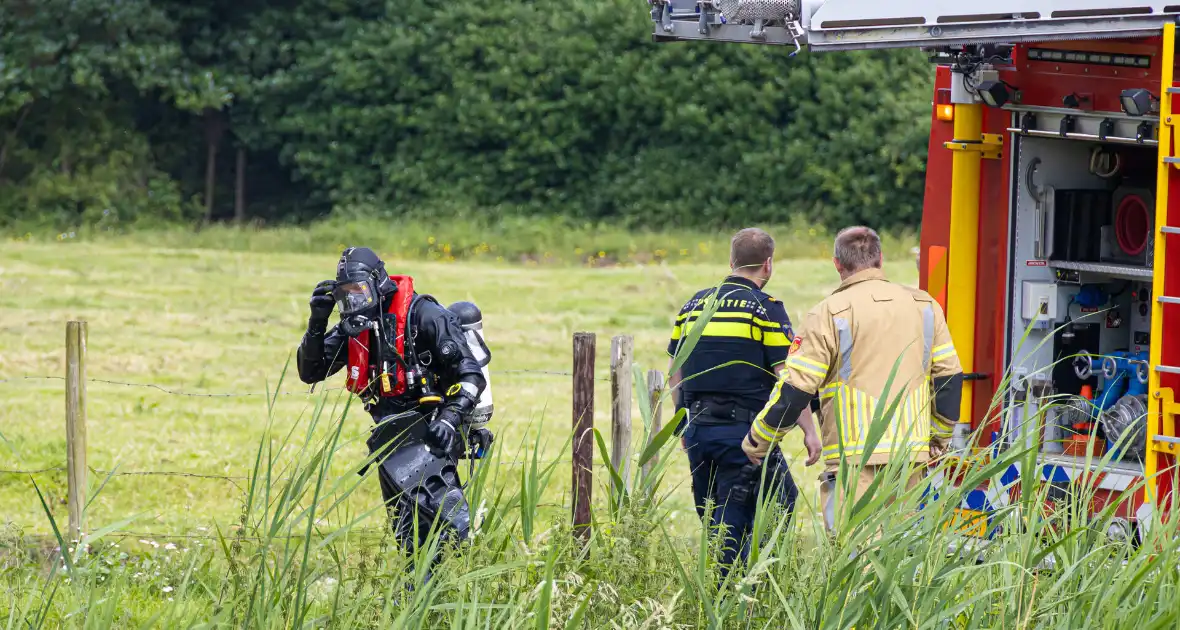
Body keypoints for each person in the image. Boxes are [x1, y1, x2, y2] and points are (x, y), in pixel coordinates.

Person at [742, 226, 964, 532]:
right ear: (880, 259)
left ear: (837, 264)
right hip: (910, 457)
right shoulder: (925, 306)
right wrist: (938, 437)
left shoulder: (828, 313)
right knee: (903, 557)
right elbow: (949, 378)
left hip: (853, 460)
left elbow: (796, 389)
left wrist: (759, 441)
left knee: (855, 559)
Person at [295, 246, 494, 565]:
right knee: (409, 538)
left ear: (378, 282)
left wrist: (450, 417)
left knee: (449, 533)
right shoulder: (355, 327)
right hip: (392, 443)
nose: (353, 302)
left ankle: (450, 594)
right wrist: (317, 322)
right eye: (345, 296)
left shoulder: (424, 316)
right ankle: (421, 602)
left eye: (358, 292)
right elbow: (310, 371)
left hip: (434, 433)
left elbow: (470, 374)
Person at [667, 227, 823, 578]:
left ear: (731, 261)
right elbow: (789, 378)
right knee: (773, 505)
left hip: (699, 431)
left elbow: (675, 372)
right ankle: (746, 592)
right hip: (745, 434)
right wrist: (810, 432)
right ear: (767, 265)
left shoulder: (693, 305)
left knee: (715, 518)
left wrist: (681, 425)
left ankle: (730, 591)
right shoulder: (764, 309)